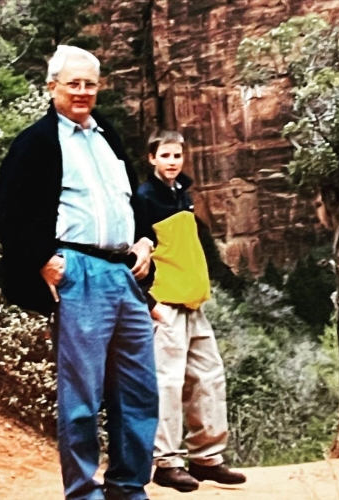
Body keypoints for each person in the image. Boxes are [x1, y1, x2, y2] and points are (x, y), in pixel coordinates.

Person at [0, 45, 159, 500]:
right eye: (74, 84)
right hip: (79, 271)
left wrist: (145, 241)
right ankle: (84, 492)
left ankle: (128, 487)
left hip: (124, 274)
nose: (83, 92)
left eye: (90, 84)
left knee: (139, 389)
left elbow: (134, 203)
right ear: (52, 87)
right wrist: (44, 259)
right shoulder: (37, 142)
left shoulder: (109, 138)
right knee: (82, 395)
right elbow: (9, 212)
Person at [137, 130, 247, 493]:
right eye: (165, 155)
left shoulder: (181, 195)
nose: (172, 161)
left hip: (193, 303)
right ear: (152, 158)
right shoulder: (144, 199)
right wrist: (149, 303)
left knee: (209, 377)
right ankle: (165, 462)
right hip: (165, 303)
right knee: (167, 383)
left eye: (177, 155)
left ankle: (207, 458)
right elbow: (136, 253)